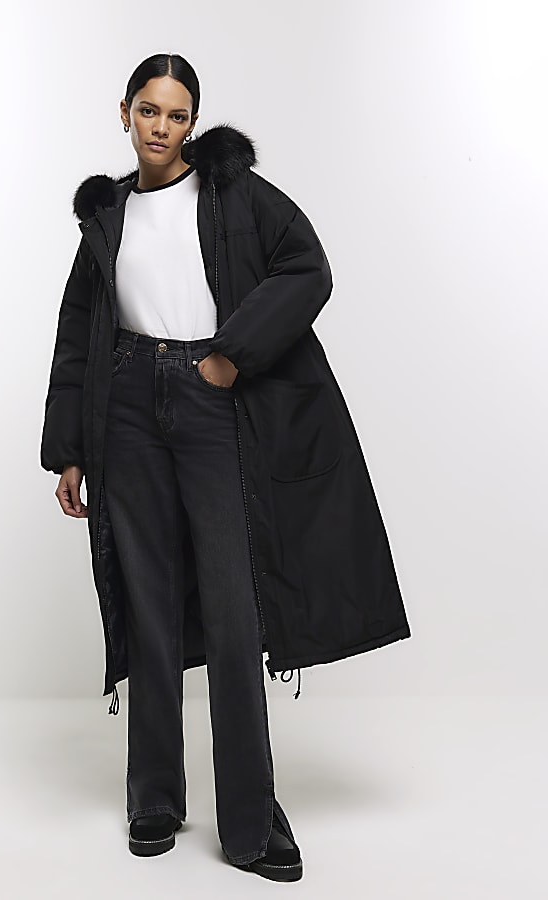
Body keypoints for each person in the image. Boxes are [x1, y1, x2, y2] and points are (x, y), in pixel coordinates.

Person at [40, 53, 411, 882]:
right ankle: (153, 798)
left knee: (234, 612)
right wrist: (68, 449)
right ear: (125, 113)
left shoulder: (234, 194)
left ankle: (250, 817)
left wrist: (232, 355)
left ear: (192, 123)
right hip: (125, 407)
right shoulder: (108, 215)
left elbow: (307, 267)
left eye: (177, 115)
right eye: (148, 110)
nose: (161, 127)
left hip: (211, 404)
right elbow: (77, 332)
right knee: (150, 603)